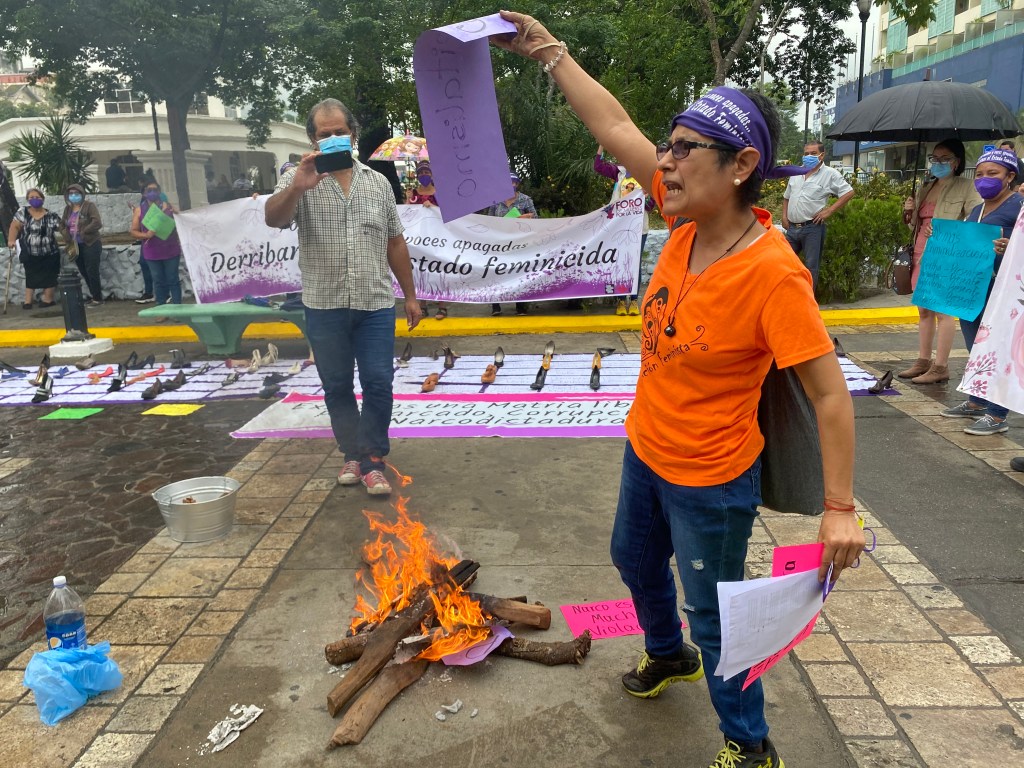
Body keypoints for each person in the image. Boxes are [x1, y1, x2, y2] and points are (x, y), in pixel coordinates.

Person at [494, 14, 864, 768]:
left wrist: (838, 510)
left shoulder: (774, 275)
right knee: (632, 560)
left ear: (740, 166)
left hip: (711, 479)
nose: (664, 160)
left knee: (718, 616)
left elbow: (830, 395)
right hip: (647, 450)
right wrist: (549, 51)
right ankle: (669, 655)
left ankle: (749, 745)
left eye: (684, 149)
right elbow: (616, 124)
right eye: (669, 146)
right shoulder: (684, 218)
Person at [265, 98, 422, 496]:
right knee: (336, 384)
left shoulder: (378, 183)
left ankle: (372, 459)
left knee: (379, 382)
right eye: (324, 134)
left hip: (374, 304)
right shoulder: (299, 178)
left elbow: (395, 242)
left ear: (353, 134)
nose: (334, 139)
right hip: (324, 304)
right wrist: (298, 187)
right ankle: (352, 453)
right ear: (313, 140)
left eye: (340, 132)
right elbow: (274, 218)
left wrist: (411, 296)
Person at [939, 148, 1023, 435]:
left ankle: (998, 415)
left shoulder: (1019, 207)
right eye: (980, 174)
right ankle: (976, 402)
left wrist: (1010, 245)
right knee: (977, 347)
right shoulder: (977, 210)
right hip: (974, 288)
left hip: (1003, 293)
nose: (984, 179)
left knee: (997, 348)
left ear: (1010, 176)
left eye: (993, 174)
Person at [899, 139, 981, 384]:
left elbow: (976, 219)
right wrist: (908, 210)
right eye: (934, 158)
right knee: (924, 309)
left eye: (944, 159)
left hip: (946, 254)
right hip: (920, 253)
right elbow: (913, 224)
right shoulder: (926, 186)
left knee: (943, 311)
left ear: (956, 162)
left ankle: (940, 366)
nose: (938, 163)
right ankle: (923, 360)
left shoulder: (967, 187)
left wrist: (947, 232)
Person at [781, 141, 854, 291]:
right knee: (783, 264)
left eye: (813, 154)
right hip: (792, 228)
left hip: (812, 228)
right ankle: (788, 299)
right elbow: (787, 196)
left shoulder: (830, 174)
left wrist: (829, 211)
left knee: (811, 268)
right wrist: (784, 216)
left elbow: (848, 192)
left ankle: (808, 304)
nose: (809, 156)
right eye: (806, 153)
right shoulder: (797, 172)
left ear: (822, 155)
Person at [594, 144, 653, 315]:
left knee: (634, 264)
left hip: (639, 228)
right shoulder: (619, 172)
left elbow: (650, 206)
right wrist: (602, 145)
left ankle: (634, 301)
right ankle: (621, 301)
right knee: (620, 264)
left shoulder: (646, 178)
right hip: (619, 227)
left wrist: (646, 197)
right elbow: (598, 166)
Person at [487, 173, 536, 316]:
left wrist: (524, 218)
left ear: (517, 184)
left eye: (513, 183)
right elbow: (489, 221)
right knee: (496, 272)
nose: (511, 185)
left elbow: (537, 219)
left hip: (519, 242)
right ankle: (496, 305)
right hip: (499, 243)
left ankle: (520, 306)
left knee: (519, 272)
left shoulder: (525, 200)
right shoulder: (495, 201)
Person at [406, 160, 450, 320]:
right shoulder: (414, 194)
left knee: (440, 270)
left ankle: (442, 306)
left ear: (431, 174)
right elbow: (407, 214)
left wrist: (433, 207)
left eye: (427, 172)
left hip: (438, 238)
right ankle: (422, 306)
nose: (424, 175)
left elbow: (448, 212)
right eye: (421, 173)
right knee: (420, 270)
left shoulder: (439, 193)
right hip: (420, 239)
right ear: (417, 175)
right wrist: (408, 200)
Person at [129, 181, 183, 306]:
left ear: (159, 192)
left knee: (173, 280)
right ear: (144, 193)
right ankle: (161, 308)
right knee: (158, 281)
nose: (152, 192)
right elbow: (133, 231)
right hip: (152, 252)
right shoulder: (139, 210)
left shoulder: (168, 207)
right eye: (149, 190)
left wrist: (176, 213)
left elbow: (180, 223)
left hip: (170, 250)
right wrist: (145, 235)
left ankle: (178, 310)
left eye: (155, 189)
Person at [8, 188, 62, 309]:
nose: (34, 200)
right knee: (31, 275)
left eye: (37, 197)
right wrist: (11, 240)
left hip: (50, 251)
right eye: (31, 197)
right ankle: (28, 301)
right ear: (27, 199)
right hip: (30, 251)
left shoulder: (51, 215)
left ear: (42, 199)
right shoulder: (23, 212)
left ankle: (48, 300)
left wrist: (72, 238)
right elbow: (14, 226)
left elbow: (62, 228)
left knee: (50, 275)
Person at [61, 184, 104, 307]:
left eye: (76, 193)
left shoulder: (89, 206)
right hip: (75, 245)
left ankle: (98, 297)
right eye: (71, 193)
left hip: (90, 243)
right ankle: (94, 295)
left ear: (82, 193)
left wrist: (84, 230)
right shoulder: (68, 209)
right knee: (84, 271)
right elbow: (62, 225)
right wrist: (66, 233)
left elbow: (97, 222)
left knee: (92, 270)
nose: (74, 196)